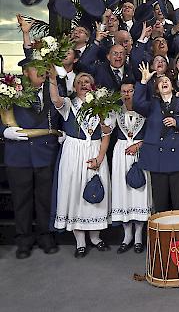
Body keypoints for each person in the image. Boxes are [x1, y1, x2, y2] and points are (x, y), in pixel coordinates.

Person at [48, 71, 112, 258]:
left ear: (93, 87)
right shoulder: (68, 104)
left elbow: (106, 134)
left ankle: (95, 237)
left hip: (95, 150)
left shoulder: (101, 105)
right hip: (73, 153)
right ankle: (80, 241)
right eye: (80, 82)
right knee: (75, 192)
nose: (84, 84)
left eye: (87, 82)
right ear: (74, 86)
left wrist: (99, 158)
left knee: (96, 191)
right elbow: (55, 99)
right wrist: (53, 80)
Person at [1, 59, 61, 259]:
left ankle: (46, 236)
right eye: (37, 68)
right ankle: (24, 240)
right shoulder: (9, 90)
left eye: (45, 68)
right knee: (21, 200)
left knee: (45, 199)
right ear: (26, 72)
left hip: (45, 153)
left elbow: (61, 114)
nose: (43, 71)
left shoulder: (54, 89)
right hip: (19, 155)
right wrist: (4, 131)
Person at [134, 63, 179, 212]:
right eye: (161, 82)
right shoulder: (152, 105)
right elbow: (137, 104)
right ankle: (162, 235)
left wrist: (177, 122)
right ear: (156, 89)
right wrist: (143, 82)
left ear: (173, 87)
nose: (164, 83)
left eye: (167, 81)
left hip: (178, 160)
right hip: (157, 159)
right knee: (160, 204)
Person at [107, 79, 151, 254]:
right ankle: (127, 236)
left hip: (141, 151)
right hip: (121, 152)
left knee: (140, 191)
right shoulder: (115, 110)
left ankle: (139, 236)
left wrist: (138, 145)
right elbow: (106, 130)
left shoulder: (146, 109)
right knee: (123, 192)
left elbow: (154, 133)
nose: (127, 94)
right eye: (123, 91)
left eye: (130, 91)